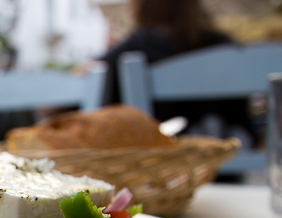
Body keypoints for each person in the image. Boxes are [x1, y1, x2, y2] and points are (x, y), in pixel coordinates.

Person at [98, 0, 257, 146]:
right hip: (226, 158)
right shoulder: (226, 47)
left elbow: (93, 77)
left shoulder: (138, 44)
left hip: (163, 165)